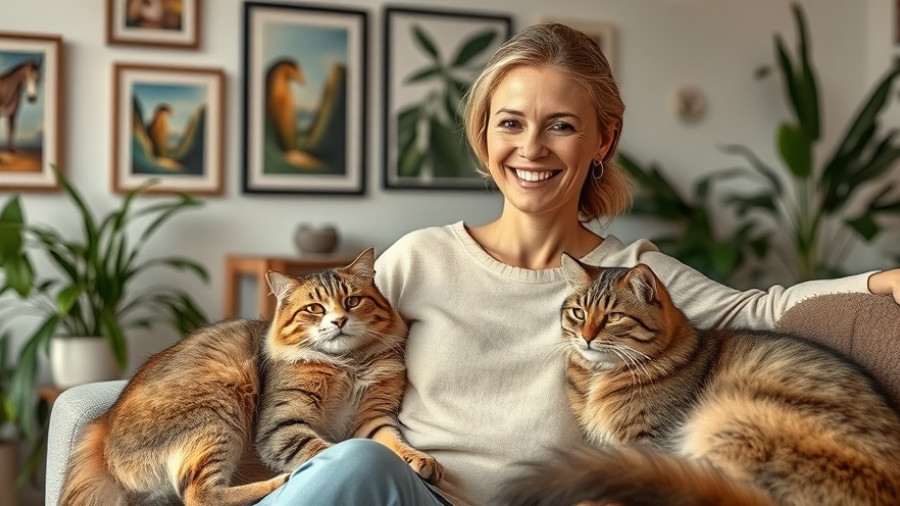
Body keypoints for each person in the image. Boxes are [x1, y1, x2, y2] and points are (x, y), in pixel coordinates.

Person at [257, 22, 900, 506]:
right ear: (485, 135)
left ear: (603, 139)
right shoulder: (417, 259)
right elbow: (310, 363)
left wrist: (878, 281)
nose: (530, 148)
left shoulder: (635, 278)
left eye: (560, 125)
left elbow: (761, 309)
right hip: (415, 495)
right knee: (356, 466)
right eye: (510, 123)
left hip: (550, 499)